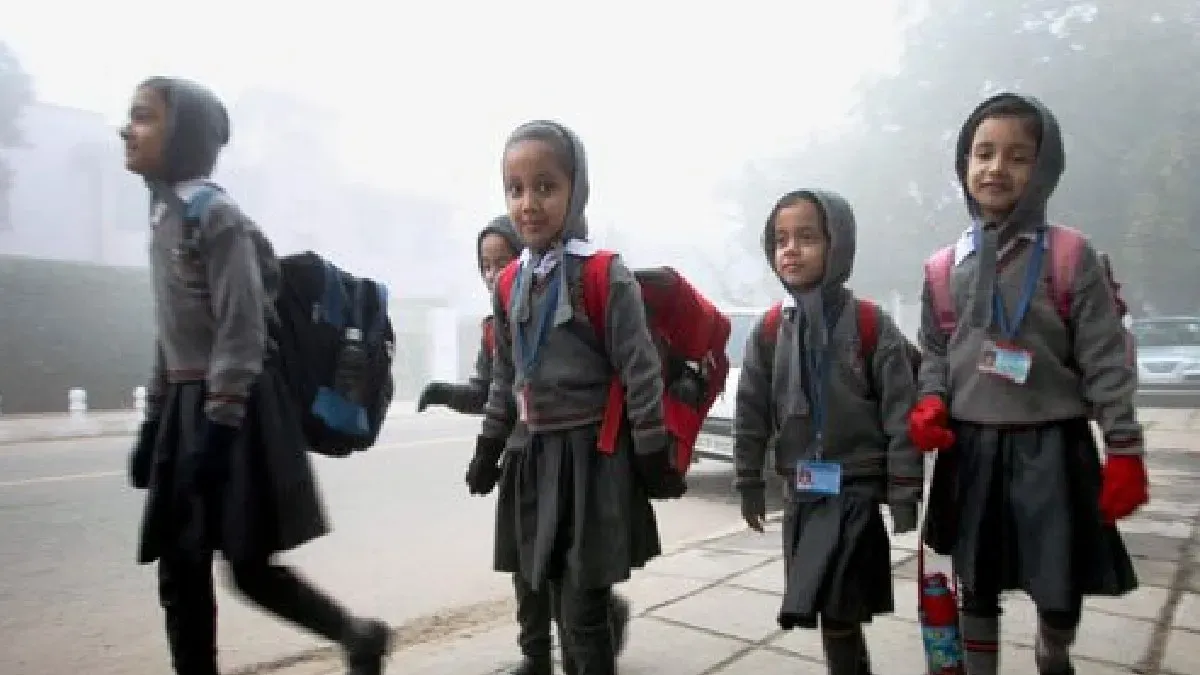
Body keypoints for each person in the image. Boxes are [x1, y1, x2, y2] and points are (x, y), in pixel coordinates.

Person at [121, 77, 389, 675]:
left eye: (143, 117)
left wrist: (218, 425)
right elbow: (175, 334)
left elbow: (241, 329)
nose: (127, 130)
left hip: (235, 407)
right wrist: (154, 423)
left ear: (182, 135)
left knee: (247, 567)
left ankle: (357, 636)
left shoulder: (215, 218)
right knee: (180, 565)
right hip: (188, 407)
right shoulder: (164, 215)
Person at [910, 93, 1146, 675]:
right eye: (983, 153)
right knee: (975, 579)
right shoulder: (943, 267)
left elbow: (1104, 358)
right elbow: (936, 349)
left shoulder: (1069, 255)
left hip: (1053, 445)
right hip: (972, 446)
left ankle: (1053, 649)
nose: (996, 168)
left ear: (1044, 170)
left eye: (1018, 157)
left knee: (1059, 580)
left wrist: (1123, 448)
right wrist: (932, 399)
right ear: (964, 164)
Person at [466, 119, 682, 675]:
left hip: (593, 460)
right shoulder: (508, 283)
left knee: (582, 610)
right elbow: (505, 375)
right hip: (535, 459)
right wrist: (489, 445)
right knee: (547, 585)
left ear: (575, 189)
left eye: (546, 186)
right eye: (516, 189)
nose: (528, 204)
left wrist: (653, 449)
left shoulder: (605, 275)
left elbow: (640, 370)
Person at [416, 214, 632, 674]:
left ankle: (597, 623)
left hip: (566, 455)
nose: (492, 273)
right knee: (524, 568)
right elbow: (490, 390)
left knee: (566, 575)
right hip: (521, 460)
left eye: (502, 261)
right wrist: (448, 397)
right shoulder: (494, 324)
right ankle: (535, 656)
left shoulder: (562, 306)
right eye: (485, 264)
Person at [735, 189, 922, 675]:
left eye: (806, 237)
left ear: (837, 244)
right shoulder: (770, 330)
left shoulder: (870, 324)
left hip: (855, 488)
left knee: (840, 608)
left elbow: (900, 413)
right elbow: (750, 413)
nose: (791, 250)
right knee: (824, 609)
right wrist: (749, 481)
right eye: (780, 240)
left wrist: (904, 490)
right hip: (802, 492)